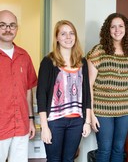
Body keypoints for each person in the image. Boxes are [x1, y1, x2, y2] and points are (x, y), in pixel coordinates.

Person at [87, 13, 128, 162]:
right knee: (104, 149)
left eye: (120, 26)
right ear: (108, 30)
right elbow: (89, 85)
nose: (117, 30)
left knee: (119, 149)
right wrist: (91, 114)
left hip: (125, 111)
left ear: (126, 29)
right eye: (113, 26)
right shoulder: (98, 52)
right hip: (102, 109)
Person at [36, 20, 91, 162]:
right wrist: (44, 127)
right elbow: (41, 95)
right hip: (54, 121)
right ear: (57, 38)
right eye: (63, 33)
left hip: (77, 121)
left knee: (69, 159)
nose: (68, 37)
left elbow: (86, 94)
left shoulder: (82, 62)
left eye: (71, 33)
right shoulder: (49, 61)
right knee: (54, 160)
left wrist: (87, 122)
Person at [0, 10, 37, 162]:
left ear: (17, 29)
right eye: (3, 25)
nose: (8, 29)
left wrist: (30, 120)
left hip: (21, 125)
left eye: (12, 25)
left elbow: (28, 90)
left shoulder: (24, 56)